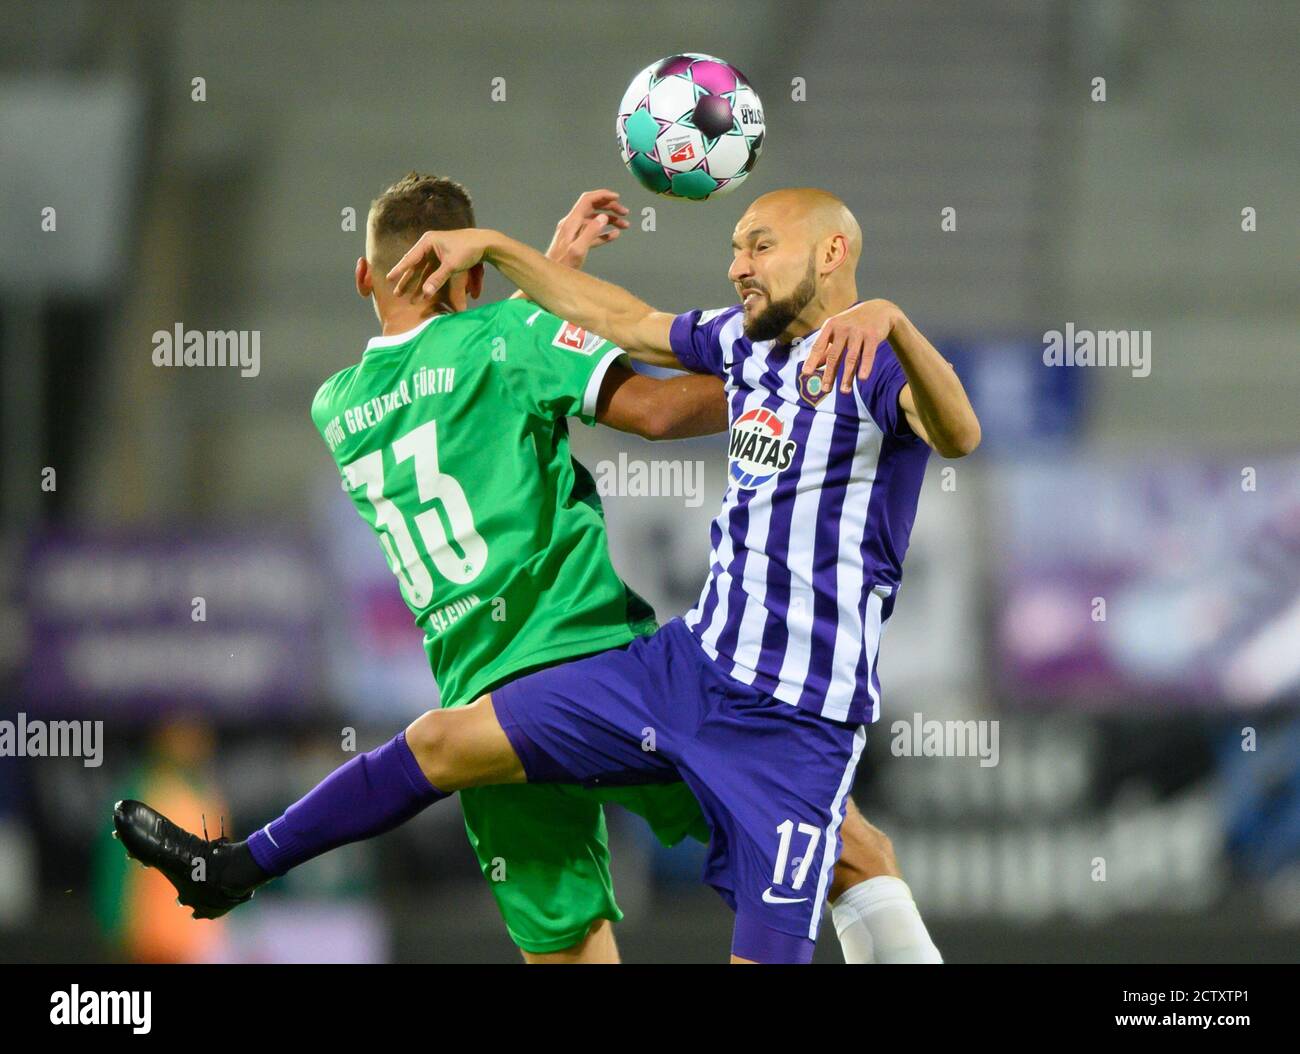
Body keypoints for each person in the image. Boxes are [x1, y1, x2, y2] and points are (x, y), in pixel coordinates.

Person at [114, 176, 942, 964]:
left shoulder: (338, 404)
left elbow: (456, 376)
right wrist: (796, 376)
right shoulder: (515, 337)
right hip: (599, 661)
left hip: (485, 700)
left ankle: (234, 868)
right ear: (463, 274)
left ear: (365, 272)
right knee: (849, 850)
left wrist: (544, 283)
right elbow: (650, 408)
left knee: (563, 940)